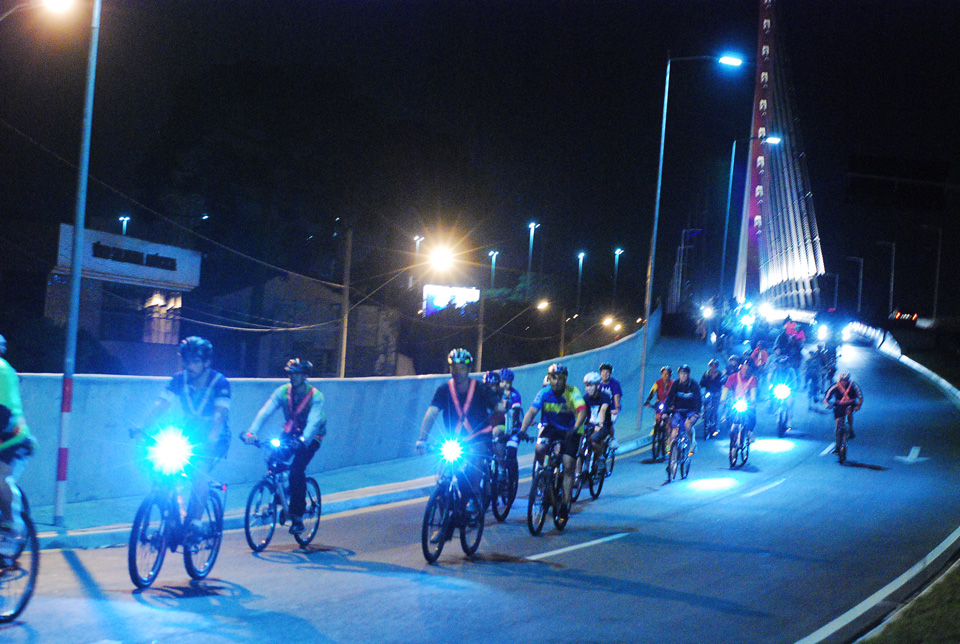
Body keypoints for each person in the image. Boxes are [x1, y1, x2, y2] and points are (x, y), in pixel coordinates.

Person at [137, 336, 231, 538]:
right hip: (190, 434)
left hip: (215, 437)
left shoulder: (219, 383)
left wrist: (211, 440)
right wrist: (142, 428)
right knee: (162, 468)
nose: (190, 366)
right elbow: (160, 405)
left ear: (206, 362)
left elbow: (219, 416)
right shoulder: (179, 380)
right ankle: (170, 517)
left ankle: (195, 523)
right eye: (186, 361)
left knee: (199, 470)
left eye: (195, 361)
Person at [243, 358, 325, 534]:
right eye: (290, 374)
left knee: (296, 470)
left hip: (312, 435)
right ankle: (283, 494)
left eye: (297, 374)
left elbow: (314, 422)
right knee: (272, 458)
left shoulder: (315, 396)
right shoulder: (282, 392)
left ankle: (297, 516)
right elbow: (265, 412)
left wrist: (304, 440)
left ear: (305, 376)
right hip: (292, 431)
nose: (293, 377)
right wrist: (252, 432)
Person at [416, 349, 499, 518]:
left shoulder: (480, 388)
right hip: (455, 440)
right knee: (443, 472)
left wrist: (499, 415)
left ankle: (473, 496)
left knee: (475, 460)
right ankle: (444, 508)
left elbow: (498, 407)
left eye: (461, 367)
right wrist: (422, 439)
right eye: (454, 367)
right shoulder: (444, 390)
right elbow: (432, 412)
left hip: (479, 437)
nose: (457, 371)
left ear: (468, 369)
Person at [518, 363, 587, 521]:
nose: (557, 381)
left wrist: (576, 427)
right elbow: (532, 411)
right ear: (549, 378)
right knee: (539, 448)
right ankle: (545, 476)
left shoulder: (572, 392)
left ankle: (565, 504)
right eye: (553, 378)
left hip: (571, 429)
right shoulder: (544, 393)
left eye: (560, 378)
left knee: (568, 464)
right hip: (551, 428)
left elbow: (582, 411)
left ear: (565, 379)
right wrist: (522, 430)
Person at [0, 334, 36, 556]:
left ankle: (10, 527)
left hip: (13, 439)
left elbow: (3, 413)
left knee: (0, 478)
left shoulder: (2, 371)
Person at [664, 364, 701, 457]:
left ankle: (692, 442)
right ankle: (673, 457)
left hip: (691, 411)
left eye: (685, 374)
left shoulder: (694, 384)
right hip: (679, 410)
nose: (683, 376)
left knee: (687, 425)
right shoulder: (676, 384)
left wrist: (697, 412)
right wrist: (665, 411)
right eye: (681, 374)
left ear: (688, 375)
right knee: (673, 431)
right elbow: (669, 397)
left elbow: (698, 399)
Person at [720, 359, 758, 443]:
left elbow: (753, 391)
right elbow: (726, 389)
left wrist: (753, 401)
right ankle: (730, 427)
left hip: (747, 403)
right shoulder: (733, 377)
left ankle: (750, 432)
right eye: (744, 369)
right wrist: (723, 399)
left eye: (747, 369)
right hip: (735, 401)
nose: (745, 371)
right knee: (730, 413)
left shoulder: (753, 379)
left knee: (751, 414)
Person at [581, 372, 612, 473]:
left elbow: (603, 410)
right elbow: (581, 412)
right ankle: (578, 474)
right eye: (587, 385)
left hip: (603, 425)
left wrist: (600, 424)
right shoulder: (585, 398)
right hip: (590, 425)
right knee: (579, 444)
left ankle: (600, 458)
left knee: (593, 441)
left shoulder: (604, 397)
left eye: (591, 385)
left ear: (598, 386)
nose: (588, 388)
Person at [824, 372, 863, 440]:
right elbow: (827, 397)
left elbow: (860, 397)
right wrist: (827, 405)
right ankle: (837, 440)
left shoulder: (854, 386)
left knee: (849, 413)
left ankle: (850, 428)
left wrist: (858, 406)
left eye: (845, 380)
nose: (844, 382)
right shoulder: (835, 386)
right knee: (838, 422)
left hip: (850, 404)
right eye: (842, 380)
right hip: (839, 405)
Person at [597, 362, 622, 449]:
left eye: (607, 372)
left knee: (609, 423)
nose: (605, 374)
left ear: (610, 374)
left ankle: (612, 438)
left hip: (612, 408)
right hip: (601, 408)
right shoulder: (598, 383)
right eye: (603, 372)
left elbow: (616, 396)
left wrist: (616, 408)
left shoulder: (615, 383)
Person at [699, 359, 724, 437]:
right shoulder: (706, 373)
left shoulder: (719, 374)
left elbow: (722, 384)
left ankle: (716, 427)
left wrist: (719, 393)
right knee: (704, 402)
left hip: (716, 394)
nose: (713, 367)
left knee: (715, 409)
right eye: (711, 366)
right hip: (708, 393)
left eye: (715, 366)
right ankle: (705, 413)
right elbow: (701, 383)